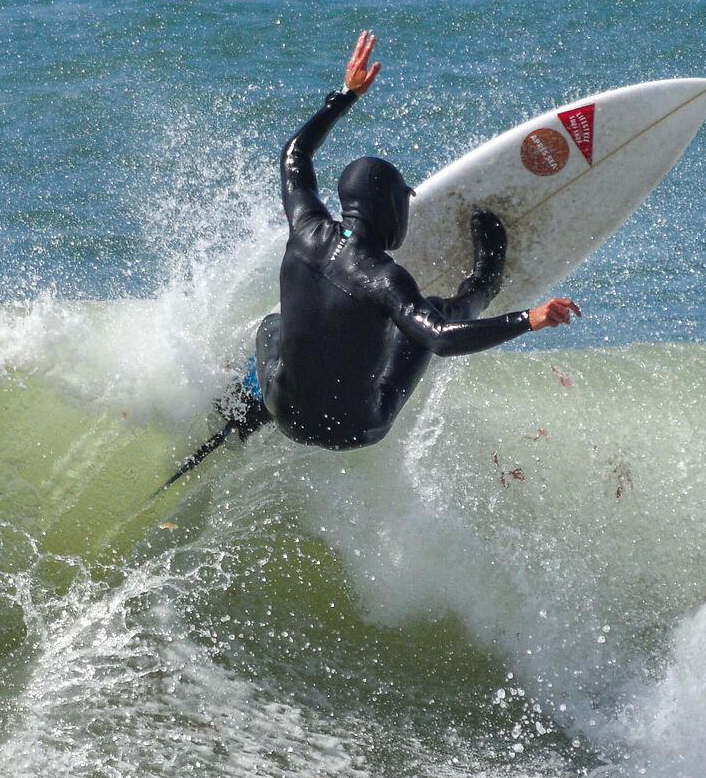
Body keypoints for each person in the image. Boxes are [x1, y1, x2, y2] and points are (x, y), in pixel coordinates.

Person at [202, 32, 579, 464]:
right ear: (390, 209)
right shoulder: (385, 280)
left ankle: (250, 414)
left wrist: (345, 96)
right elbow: (440, 339)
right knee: (430, 318)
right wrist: (526, 320)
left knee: (273, 326)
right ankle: (483, 285)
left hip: (286, 413)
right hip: (357, 427)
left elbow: (295, 155)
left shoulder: (305, 227)